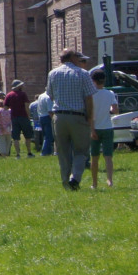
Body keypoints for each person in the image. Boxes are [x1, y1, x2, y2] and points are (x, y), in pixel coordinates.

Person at [46, 47, 96, 189]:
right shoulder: (83, 73)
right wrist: (89, 116)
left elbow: (50, 94)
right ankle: (75, 177)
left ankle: (66, 183)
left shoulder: (53, 73)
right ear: (73, 58)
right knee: (81, 150)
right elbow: (89, 98)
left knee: (63, 152)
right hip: (77, 115)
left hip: (59, 116)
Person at [89, 69, 119, 188]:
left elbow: (89, 113)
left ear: (93, 80)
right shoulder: (110, 93)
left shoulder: (90, 95)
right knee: (108, 156)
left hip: (94, 127)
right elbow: (115, 110)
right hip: (107, 127)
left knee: (94, 157)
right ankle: (110, 180)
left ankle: (94, 183)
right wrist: (109, 111)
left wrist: (92, 130)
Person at [4, 80, 35, 157]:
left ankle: (18, 154)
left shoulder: (8, 95)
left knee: (16, 137)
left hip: (14, 118)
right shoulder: (23, 94)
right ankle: (29, 152)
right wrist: (28, 116)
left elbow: (5, 108)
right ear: (18, 86)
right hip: (23, 117)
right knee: (28, 136)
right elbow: (26, 106)